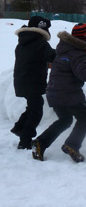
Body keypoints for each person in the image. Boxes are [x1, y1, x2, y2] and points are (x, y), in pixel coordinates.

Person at [32, 23, 86, 162]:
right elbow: (83, 73)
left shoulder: (64, 49)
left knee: (65, 120)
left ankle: (40, 142)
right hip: (68, 93)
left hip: (53, 92)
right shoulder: (79, 54)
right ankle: (71, 145)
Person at [11, 16, 56, 150]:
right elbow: (53, 56)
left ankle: (20, 128)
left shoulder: (23, 42)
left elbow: (33, 58)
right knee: (36, 110)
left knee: (32, 107)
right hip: (33, 81)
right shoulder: (40, 43)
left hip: (21, 80)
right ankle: (25, 140)